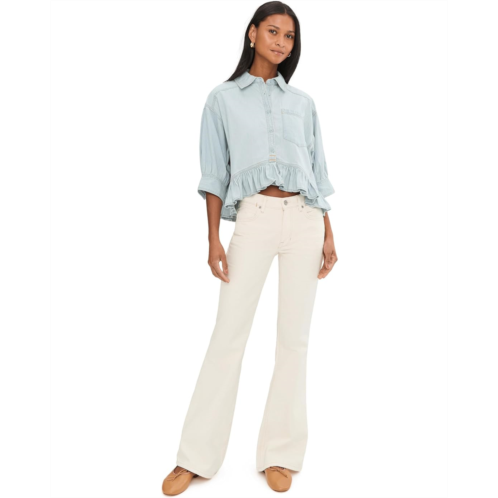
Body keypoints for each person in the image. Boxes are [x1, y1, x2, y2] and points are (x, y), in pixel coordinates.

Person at [162, 2, 338, 495]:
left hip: (305, 220)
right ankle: (195, 457)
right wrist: (212, 238)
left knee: (294, 339)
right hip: (254, 219)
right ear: (252, 33)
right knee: (228, 336)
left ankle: (280, 452)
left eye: (290, 36)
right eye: (273, 31)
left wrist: (329, 233)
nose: (282, 42)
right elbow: (213, 175)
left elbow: (317, 175)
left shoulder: (303, 102)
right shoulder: (221, 99)